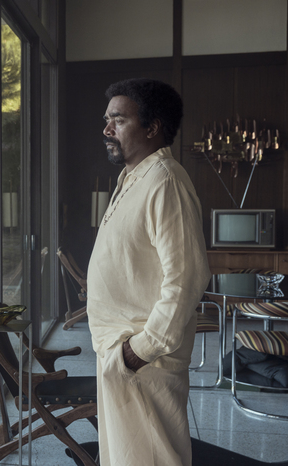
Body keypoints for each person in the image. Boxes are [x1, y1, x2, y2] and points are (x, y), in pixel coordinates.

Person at [87, 78, 210, 466]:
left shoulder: (165, 181)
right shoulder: (133, 178)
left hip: (143, 361)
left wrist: (138, 352)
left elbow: (186, 278)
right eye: (107, 120)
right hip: (120, 356)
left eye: (119, 120)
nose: (107, 129)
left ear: (152, 127)